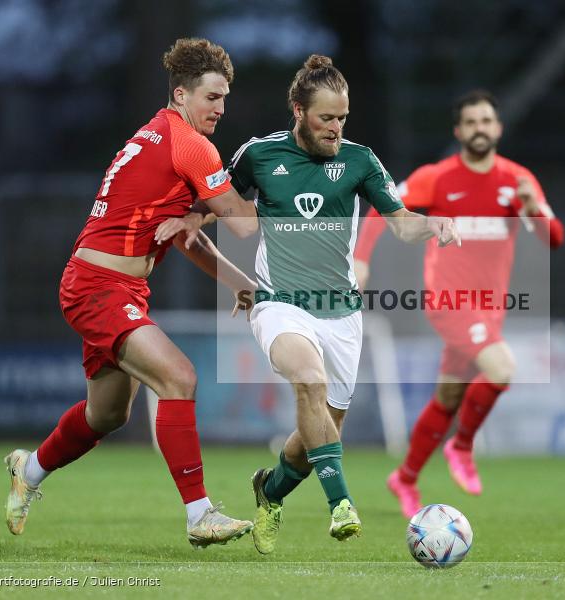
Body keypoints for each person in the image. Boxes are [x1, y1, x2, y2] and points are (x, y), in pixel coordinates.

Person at [164, 54, 459, 553]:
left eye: (342, 118)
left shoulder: (361, 161)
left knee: (319, 429)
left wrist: (433, 224)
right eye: (326, 118)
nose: (336, 128)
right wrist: (194, 218)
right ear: (299, 111)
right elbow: (222, 200)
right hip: (278, 302)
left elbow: (402, 223)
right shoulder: (260, 154)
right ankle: (341, 504)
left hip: (342, 313)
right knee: (309, 381)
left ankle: (271, 491)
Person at [4, 38, 261, 548]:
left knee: (106, 415)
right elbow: (244, 223)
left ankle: (27, 470)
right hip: (98, 288)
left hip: (111, 286)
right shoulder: (190, 144)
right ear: (182, 94)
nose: (221, 108)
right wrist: (269, 174)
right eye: (212, 97)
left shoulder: (158, 133)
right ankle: (200, 514)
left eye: (224, 98)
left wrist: (240, 283)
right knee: (179, 377)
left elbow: (185, 236)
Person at [352, 89, 565, 518]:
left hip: (490, 308)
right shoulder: (437, 177)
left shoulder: (518, 181)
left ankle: (405, 477)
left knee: (449, 396)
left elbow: (554, 239)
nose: (479, 128)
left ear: (498, 128)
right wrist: (361, 259)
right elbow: (381, 208)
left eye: (486, 121)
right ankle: (462, 446)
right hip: (448, 300)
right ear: (459, 131)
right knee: (502, 368)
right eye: (471, 122)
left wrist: (532, 209)